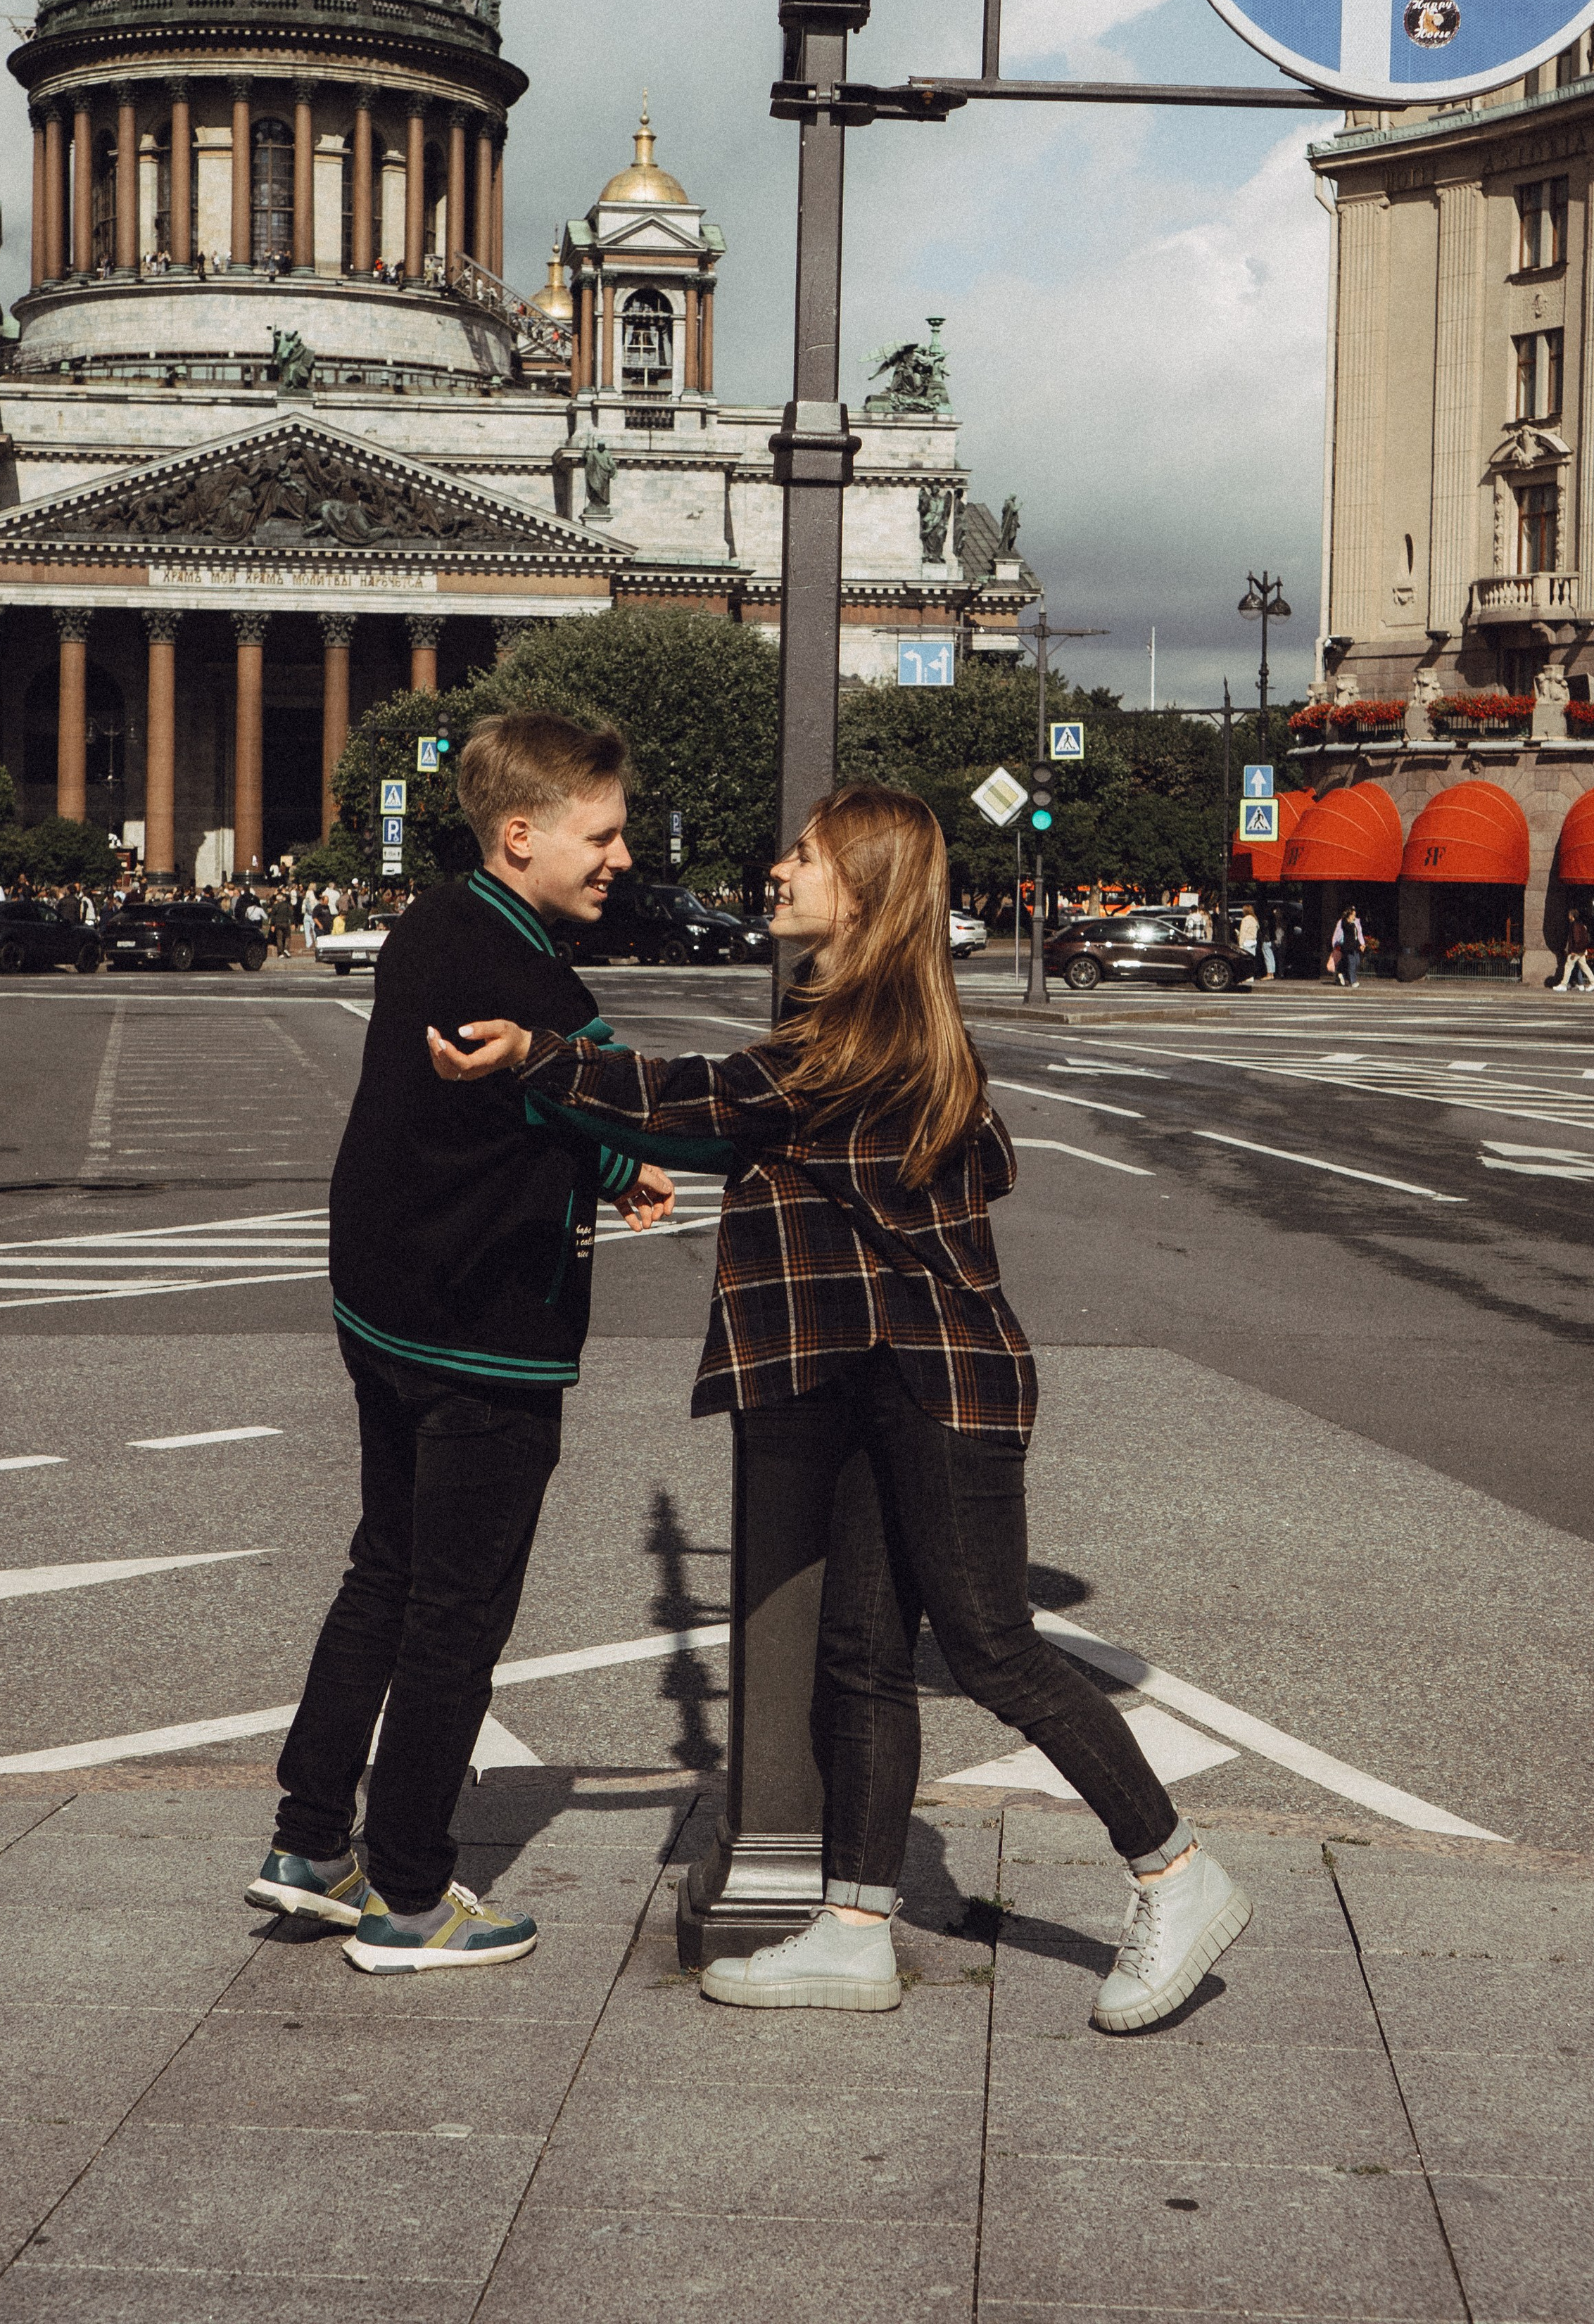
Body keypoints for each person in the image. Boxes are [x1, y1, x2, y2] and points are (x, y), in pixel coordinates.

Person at [429, 782, 1252, 2034]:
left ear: (861, 891)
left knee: (992, 1645)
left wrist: (541, 1059)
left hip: (939, 1379)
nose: (779, 868)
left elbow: (711, 1100)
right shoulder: (858, 1022)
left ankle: (1177, 1873)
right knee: (861, 1655)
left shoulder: (867, 1037)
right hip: (873, 1370)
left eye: (805, 856)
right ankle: (857, 1931)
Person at [247, 712, 680, 1974]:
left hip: (384, 1306)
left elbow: (511, 1108)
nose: (621, 858)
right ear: (522, 834)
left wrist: (606, 1164)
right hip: (485, 1331)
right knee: (458, 1610)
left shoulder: (435, 924)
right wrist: (631, 1161)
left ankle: (310, 1843)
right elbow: (609, 1093)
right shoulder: (536, 980)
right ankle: (410, 1894)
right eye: (602, 836)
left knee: (385, 1568)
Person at [1554, 910, 1594, 992]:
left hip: (1576, 951)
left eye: (1569, 915)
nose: (1568, 916)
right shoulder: (1580, 925)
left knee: (1568, 966)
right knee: (1584, 967)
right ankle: (1593, 983)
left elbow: (1576, 939)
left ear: (1572, 916)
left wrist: (1574, 951)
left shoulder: (1575, 926)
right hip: (1581, 950)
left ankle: (1564, 985)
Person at [1332, 901, 1365, 986]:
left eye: (1355, 915)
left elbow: (1356, 936)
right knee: (1352, 963)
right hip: (1348, 947)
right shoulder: (1344, 923)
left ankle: (1343, 975)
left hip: (1355, 947)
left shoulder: (1354, 924)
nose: (1354, 917)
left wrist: (1361, 945)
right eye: (1353, 915)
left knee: (1357, 962)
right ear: (1349, 915)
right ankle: (1353, 982)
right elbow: (1343, 928)